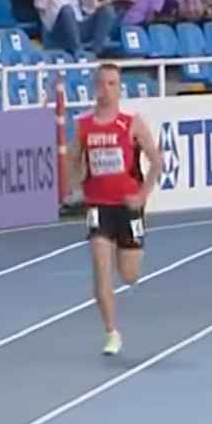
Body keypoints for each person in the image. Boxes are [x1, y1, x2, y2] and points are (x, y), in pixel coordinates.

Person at [77, 63, 160, 355]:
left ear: (119, 88)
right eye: (102, 83)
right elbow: (74, 163)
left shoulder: (132, 123)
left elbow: (156, 162)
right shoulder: (84, 126)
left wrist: (142, 194)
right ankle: (111, 332)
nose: (106, 89)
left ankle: (124, 254)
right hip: (98, 206)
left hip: (127, 207)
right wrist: (74, 184)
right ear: (95, 87)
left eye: (112, 84)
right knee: (101, 272)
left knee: (129, 274)